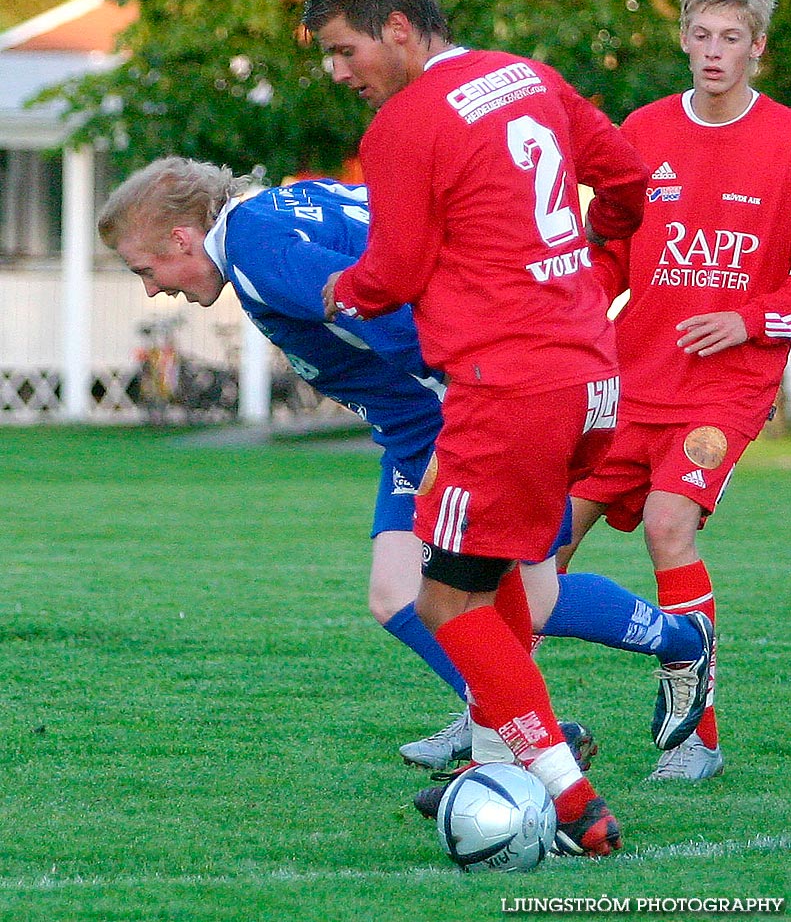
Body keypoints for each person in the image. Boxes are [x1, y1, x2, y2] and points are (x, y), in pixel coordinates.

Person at [98, 159, 712, 810]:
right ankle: (512, 739)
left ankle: (648, 665)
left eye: (144, 270)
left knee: (517, 600)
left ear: (181, 240)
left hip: (460, 416)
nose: (150, 290)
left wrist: (474, 381)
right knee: (399, 594)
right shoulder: (284, 206)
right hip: (416, 428)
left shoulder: (254, 247)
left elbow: (369, 301)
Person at [304, 0, 654, 856]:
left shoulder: (403, 125)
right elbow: (624, 182)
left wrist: (347, 287)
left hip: (510, 390)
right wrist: (590, 265)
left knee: (442, 602)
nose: (339, 73)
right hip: (591, 378)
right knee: (488, 580)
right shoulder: (526, 76)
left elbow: (397, 270)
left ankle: (570, 801)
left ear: (396, 27)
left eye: (344, 51)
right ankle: (503, 754)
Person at [557, 0, 791, 781]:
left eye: (731, 38)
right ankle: (499, 716)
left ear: (755, 47)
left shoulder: (787, 142)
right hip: (631, 377)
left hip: (726, 389)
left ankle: (696, 738)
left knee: (667, 523)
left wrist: (752, 318)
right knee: (540, 537)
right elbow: (608, 254)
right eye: (701, 36)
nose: (714, 51)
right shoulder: (643, 130)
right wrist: (560, 319)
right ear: (683, 40)